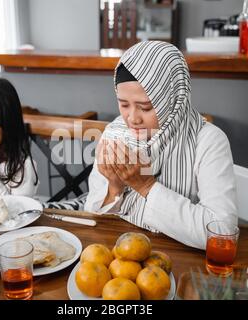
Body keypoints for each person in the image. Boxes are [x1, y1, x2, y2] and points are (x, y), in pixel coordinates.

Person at [84, 41, 237, 250]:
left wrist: (145, 186)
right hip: (123, 255)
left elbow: (223, 236)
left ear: (173, 99)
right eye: (123, 104)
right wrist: (114, 188)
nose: (132, 118)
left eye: (145, 107)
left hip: (182, 260)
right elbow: (93, 215)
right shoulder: (114, 134)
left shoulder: (209, 141)